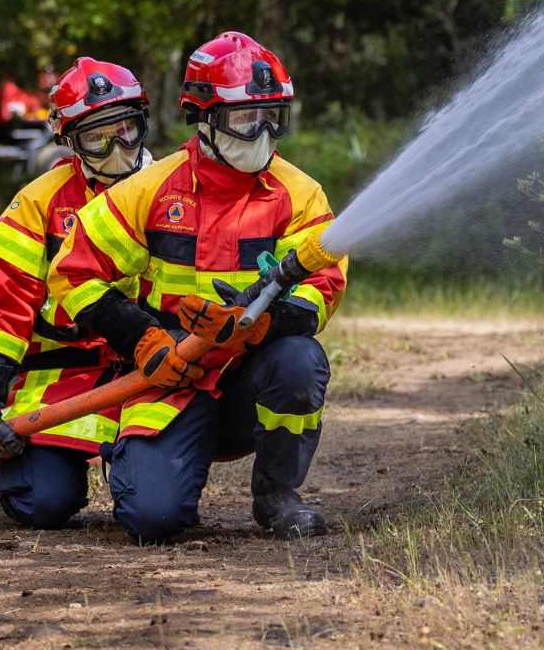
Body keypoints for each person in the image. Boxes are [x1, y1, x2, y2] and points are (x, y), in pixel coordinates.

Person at [48, 31, 346, 542]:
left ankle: (277, 496)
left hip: (249, 380)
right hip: (171, 378)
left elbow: (324, 283)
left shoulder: (299, 193)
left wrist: (264, 325)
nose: (262, 132)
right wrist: (143, 339)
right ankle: (138, 463)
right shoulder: (150, 189)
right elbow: (73, 272)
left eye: (273, 115)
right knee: (153, 522)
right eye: (245, 119)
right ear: (204, 117)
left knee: (300, 360)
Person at [0, 58, 154, 527]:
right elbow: (4, 311)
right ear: (70, 142)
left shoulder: (174, 191)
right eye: (96, 137)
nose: (116, 147)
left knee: (154, 507)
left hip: (155, 375)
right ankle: (35, 471)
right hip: (63, 385)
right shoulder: (39, 205)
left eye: (126, 128)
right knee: (39, 501)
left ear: (144, 123)